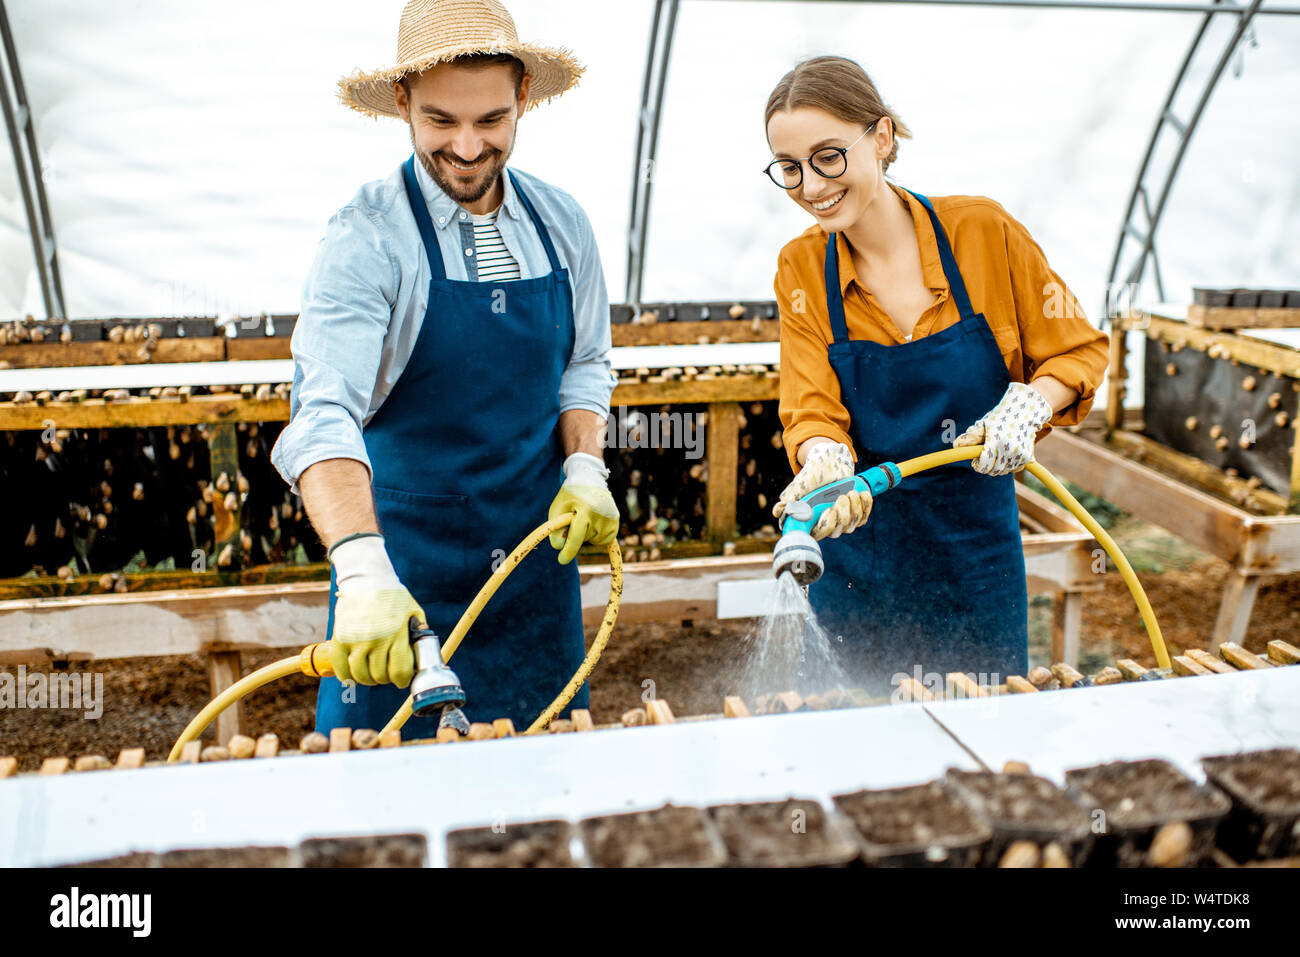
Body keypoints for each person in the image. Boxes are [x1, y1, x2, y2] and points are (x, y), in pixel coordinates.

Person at [271, 0, 618, 736]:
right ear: (401, 103)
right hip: (399, 592)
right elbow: (322, 411)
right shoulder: (368, 238)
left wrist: (585, 469)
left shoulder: (563, 226)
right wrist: (362, 570)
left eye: (491, 121)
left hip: (532, 581)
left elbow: (585, 363)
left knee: (547, 809)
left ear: (524, 97)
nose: (466, 147)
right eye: (440, 121)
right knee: (385, 822)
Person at [765, 56, 1108, 694]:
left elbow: (1077, 350)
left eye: (828, 156)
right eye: (789, 168)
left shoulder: (982, 232)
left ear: (883, 137)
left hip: (973, 552)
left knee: (980, 741)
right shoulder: (801, 267)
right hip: (858, 551)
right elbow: (810, 401)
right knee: (855, 746)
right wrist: (822, 461)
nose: (811, 186)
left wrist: (1033, 401)